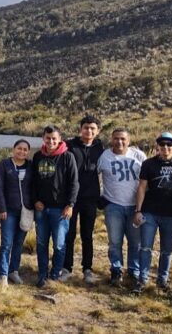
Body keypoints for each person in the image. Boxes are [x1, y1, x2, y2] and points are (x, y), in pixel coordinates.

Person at [133, 132, 172, 293]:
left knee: (167, 249)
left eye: (169, 145)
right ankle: (142, 280)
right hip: (150, 212)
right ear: (157, 147)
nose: (165, 148)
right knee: (145, 247)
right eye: (162, 145)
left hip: (171, 214)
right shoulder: (149, 164)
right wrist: (138, 210)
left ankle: (162, 280)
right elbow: (142, 187)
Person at [97, 128, 147, 287]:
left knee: (135, 242)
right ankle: (116, 270)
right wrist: (100, 197)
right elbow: (91, 177)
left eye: (123, 139)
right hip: (114, 206)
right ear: (111, 139)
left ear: (129, 140)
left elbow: (147, 180)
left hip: (135, 206)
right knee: (115, 241)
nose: (120, 142)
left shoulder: (139, 155)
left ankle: (133, 270)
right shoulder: (105, 156)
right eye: (116, 138)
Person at [31, 125, 79, 287]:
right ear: (43, 139)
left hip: (61, 209)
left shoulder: (67, 157)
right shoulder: (37, 156)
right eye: (48, 138)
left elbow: (74, 183)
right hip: (41, 209)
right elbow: (33, 182)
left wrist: (70, 204)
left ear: (59, 140)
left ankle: (56, 273)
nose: (51, 141)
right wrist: (35, 200)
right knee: (42, 243)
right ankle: (42, 274)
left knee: (59, 244)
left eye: (54, 139)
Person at [64, 115, 105, 284]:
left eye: (92, 128)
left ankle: (87, 268)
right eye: (86, 127)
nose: (89, 131)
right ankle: (66, 268)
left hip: (90, 198)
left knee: (87, 235)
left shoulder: (100, 148)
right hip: (71, 198)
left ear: (97, 131)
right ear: (80, 129)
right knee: (69, 234)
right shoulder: (69, 145)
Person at [0, 139, 33, 286]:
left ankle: (13, 271)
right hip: (8, 211)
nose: (21, 151)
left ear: (28, 152)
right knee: (6, 243)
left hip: (26, 211)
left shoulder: (30, 166)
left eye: (25, 149)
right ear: (13, 149)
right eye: (19, 148)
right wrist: (2, 208)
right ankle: (3, 274)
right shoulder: (4, 165)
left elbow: (34, 186)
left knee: (18, 243)